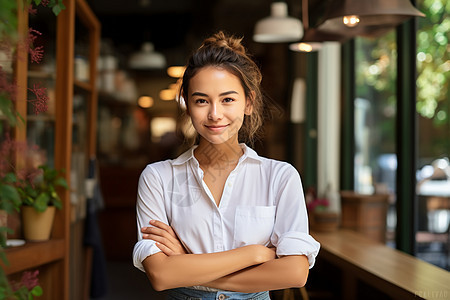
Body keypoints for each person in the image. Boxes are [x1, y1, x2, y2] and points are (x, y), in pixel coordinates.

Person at [132, 31, 320, 300]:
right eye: (201, 100)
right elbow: (161, 276)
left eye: (227, 99)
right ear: (186, 103)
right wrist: (253, 254)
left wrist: (187, 264)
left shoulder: (279, 177)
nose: (215, 114)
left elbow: (294, 273)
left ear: (249, 102)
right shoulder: (158, 177)